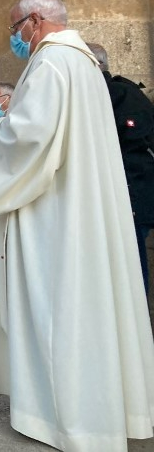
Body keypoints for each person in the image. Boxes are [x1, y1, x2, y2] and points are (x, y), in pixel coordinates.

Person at [0, 0, 154, 450]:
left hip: (54, 212)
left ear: (34, 20)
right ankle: (106, 413)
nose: (15, 38)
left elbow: (30, 137)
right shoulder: (84, 62)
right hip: (82, 205)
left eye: (15, 28)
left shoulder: (50, 63)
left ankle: (62, 418)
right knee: (91, 308)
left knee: (56, 308)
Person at [86, 42, 154, 296]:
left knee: (131, 267)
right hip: (117, 196)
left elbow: (130, 143)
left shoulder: (120, 94)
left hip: (130, 195)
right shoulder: (98, 93)